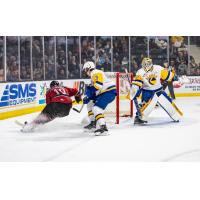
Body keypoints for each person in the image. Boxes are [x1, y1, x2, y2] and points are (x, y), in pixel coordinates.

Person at [130, 57, 183, 124]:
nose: (147, 65)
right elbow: (137, 83)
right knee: (144, 107)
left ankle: (175, 115)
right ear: (143, 64)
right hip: (147, 92)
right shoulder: (140, 72)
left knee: (169, 104)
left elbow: (167, 76)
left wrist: (174, 77)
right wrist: (134, 91)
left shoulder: (158, 68)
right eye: (145, 64)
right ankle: (139, 118)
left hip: (159, 91)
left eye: (148, 63)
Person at [82, 61, 116, 135]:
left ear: (88, 68)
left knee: (97, 108)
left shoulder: (95, 72)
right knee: (90, 104)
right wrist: (88, 97)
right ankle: (93, 123)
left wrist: (88, 95)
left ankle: (103, 128)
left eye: (85, 69)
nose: (85, 72)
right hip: (104, 92)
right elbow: (95, 90)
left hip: (108, 92)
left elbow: (98, 85)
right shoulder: (93, 75)